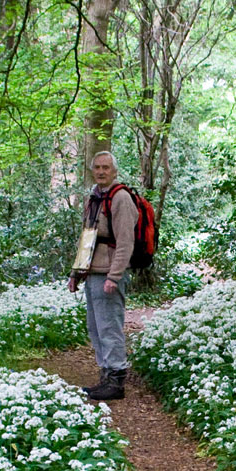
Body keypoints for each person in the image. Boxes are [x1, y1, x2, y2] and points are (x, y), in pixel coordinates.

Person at [68, 151, 138, 400]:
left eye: (106, 167)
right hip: (93, 274)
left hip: (109, 275)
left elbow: (125, 243)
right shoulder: (95, 198)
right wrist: (76, 273)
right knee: (96, 328)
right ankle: (105, 377)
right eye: (97, 167)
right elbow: (87, 239)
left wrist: (114, 276)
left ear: (114, 170)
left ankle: (116, 381)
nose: (101, 171)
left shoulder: (121, 199)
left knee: (110, 327)